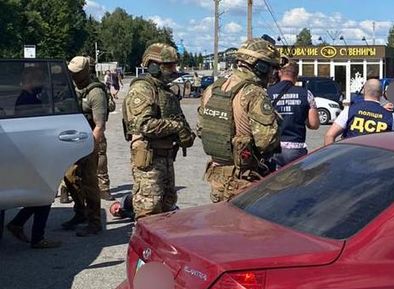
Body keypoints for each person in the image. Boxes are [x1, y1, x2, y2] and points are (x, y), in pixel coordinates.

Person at [198, 37, 282, 203]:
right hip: (244, 178)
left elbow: (202, 129)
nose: (273, 73)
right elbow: (265, 141)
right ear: (260, 66)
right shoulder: (254, 93)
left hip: (217, 174)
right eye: (271, 67)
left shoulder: (212, 89)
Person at [123, 43, 195, 219]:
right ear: (154, 66)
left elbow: (176, 118)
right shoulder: (142, 89)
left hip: (166, 157)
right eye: (168, 66)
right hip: (150, 161)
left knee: (168, 207)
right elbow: (144, 124)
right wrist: (176, 127)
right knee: (149, 210)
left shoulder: (164, 90)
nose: (173, 70)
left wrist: (186, 134)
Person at [6, 66, 61, 248]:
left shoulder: (27, 98)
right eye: (39, 80)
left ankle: (18, 224)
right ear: (31, 81)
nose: (42, 84)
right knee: (45, 195)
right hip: (34, 154)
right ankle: (37, 237)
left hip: (31, 153)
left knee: (42, 195)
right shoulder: (28, 100)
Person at [61, 56, 107, 236]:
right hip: (72, 141)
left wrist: (90, 148)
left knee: (90, 183)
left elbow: (99, 126)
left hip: (89, 142)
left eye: (76, 73)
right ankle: (80, 212)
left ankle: (94, 222)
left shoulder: (95, 93)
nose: (73, 75)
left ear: (85, 72)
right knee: (70, 177)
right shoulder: (71, 88)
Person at [267, 61, 320, 169]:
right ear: (297, 75)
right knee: (294, 178)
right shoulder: (306, 94)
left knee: (273, 178)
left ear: (280, 73)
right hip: (295, 148)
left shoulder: (267, 93)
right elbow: (314, 124)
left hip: (273, 147)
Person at [324, 79, 394, 145]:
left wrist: (331, 156)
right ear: (382, 93)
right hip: (378, 157)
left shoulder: (350, 111)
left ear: (364, 91)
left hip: (351, 156)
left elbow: (329, 136)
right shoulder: (391, 118)